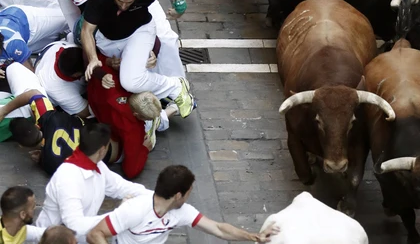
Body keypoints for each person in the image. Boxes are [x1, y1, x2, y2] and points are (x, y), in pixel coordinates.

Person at [81, 0, 195, 118]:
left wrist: (180, 6)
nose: (123, 6)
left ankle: (176, 87)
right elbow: (86, 30)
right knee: (124, 71)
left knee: (130, 82)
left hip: (139, 32)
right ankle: (160, 98)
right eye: (119, 0)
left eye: (129, 2)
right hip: (109, 40)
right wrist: (93, 59)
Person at [86, 165, 279, 244]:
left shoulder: (182, 212)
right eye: (189, 191)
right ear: (179, 195)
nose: (189, 195)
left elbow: (219, 229)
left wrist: (253, 236)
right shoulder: (135, 209)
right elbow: (94, 234)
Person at [0, 62, 122, 175]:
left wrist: (42, 158)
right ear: (37, 126)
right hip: (114, 134)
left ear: (21, 147)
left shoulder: (49, 162)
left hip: (115, 156)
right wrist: (4, 111)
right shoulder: (50, 118)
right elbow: (34, 93)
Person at [35, 123, 152, 238]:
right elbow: (75, 225)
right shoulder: (68, 178)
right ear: (102, 150)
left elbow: (120, 186)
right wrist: (118, 216)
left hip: (81, 238)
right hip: (54, 240)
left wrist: (153, 197)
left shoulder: (99, 166)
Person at [88, 50, 179, 179]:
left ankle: (167, 113)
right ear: (138, 115)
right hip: (115, 137)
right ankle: (166, 114)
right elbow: (131, 171)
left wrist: (110, 62)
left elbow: (97, 60)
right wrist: (144, 149)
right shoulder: (134, 131)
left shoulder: (111, 82)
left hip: (94, 107)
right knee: (149, 140)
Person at [0, 2, 69, 72]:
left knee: (67, 19)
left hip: (25, 19)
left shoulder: (12, 44)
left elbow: (30, 72)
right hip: (23, 38)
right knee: (49, 43)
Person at [34, 41, 90, 118]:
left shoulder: (71, 50)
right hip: (47, 91)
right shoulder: (62, 92)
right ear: (76, 75)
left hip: (49, 51)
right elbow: (85, 112)